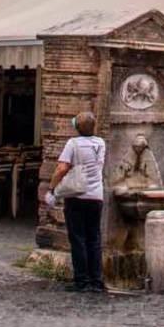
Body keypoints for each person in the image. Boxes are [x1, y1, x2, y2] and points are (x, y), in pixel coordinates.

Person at [47, 112, 107, 293]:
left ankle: (81, 280)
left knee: (78, 239)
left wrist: (52, 189)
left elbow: (62, 168)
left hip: (77, 196)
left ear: (77, 127)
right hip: (96, 196)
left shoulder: (73, 144)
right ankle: (96, 280)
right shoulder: (101, 143)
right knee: (94, 238)